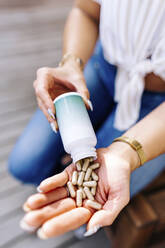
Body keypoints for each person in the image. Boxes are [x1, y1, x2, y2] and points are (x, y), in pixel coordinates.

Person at [9, 0, 165, 239]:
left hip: (157, 106)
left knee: (88, 211)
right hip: (104, 68)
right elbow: (85, 10)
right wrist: (71, 64)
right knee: (24, 165)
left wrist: (124, 154)